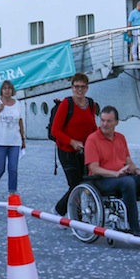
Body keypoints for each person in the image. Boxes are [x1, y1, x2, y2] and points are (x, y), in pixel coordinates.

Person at [84, 106, 140, 239]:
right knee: (128, 182)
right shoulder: (92, 140)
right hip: (102, 180)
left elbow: (128, 162)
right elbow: (94, 168)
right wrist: (115, 174)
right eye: (102, 120)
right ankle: (133, 227)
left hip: (122, 177)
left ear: (116, 122)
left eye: (109, 121)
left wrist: (138, 170)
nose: (104, 124)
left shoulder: (120, 138)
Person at [51, 73, 99, 216]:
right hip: (66, 150)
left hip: (84, 150)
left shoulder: (90, 104)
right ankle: (61, 212)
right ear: (72, 87)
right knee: (75, 184)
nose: (79, 90)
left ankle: (73, 216)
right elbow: (55, 130)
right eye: (76, 86)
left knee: (85, 183)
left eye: (82, 87)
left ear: (87, 88)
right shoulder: (67, 104)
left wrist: (101, 139)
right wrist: (72, 142)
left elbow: (92, 126)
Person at [0, 80, 26, 201]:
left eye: (9, 88)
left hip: (14, 141)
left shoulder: (18, 103)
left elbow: (20, 121)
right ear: (1, 90)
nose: (7, 90)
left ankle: (12, 192)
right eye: (5, 88)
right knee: (0, 168)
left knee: (13, 168)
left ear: (12, 90)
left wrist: (23, 139)